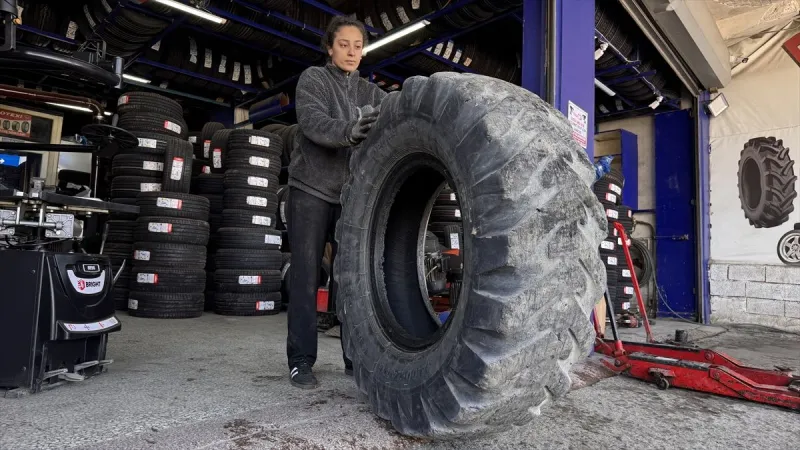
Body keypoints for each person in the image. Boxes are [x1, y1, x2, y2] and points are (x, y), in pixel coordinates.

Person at [286, 16, 387, 389]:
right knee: (306, 277)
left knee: (352, 280)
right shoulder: (313, 80)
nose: (351, 52)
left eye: (358, 46)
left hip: (350, 198)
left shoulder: (372, 93)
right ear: (330, 48)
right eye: (344, 44)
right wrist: (348, 131)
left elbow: (395, 114)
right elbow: (311, 122)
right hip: (310, 189)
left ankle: (353, 359)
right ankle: (301, 361)